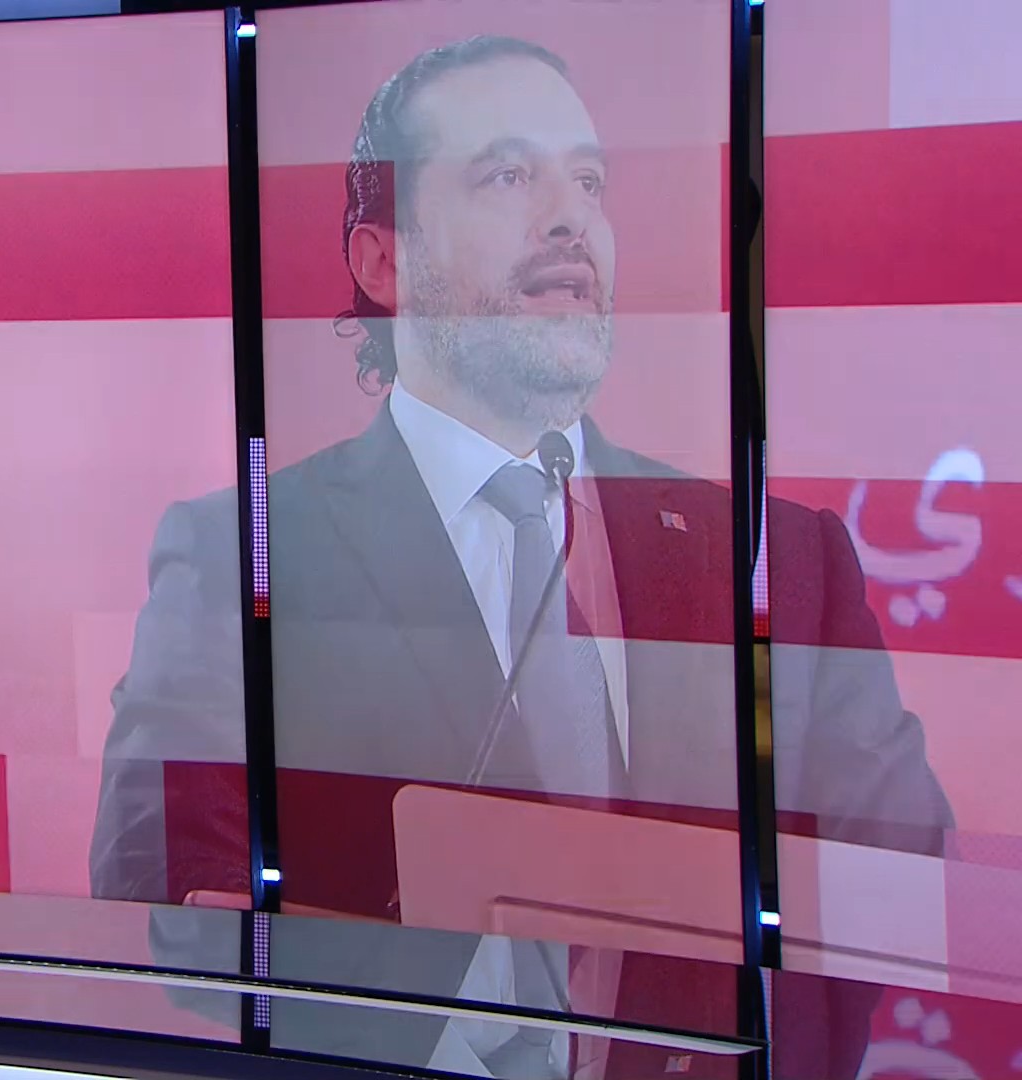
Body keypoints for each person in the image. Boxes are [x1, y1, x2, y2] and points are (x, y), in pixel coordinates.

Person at [91, 35, 952, 1079]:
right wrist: (433, 1027)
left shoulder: (779, 558)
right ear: (382, 262)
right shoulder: (246, 556)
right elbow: (168, 891)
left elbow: (907, 885)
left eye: (588, 181)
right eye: (508, 175)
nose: (569, 218)